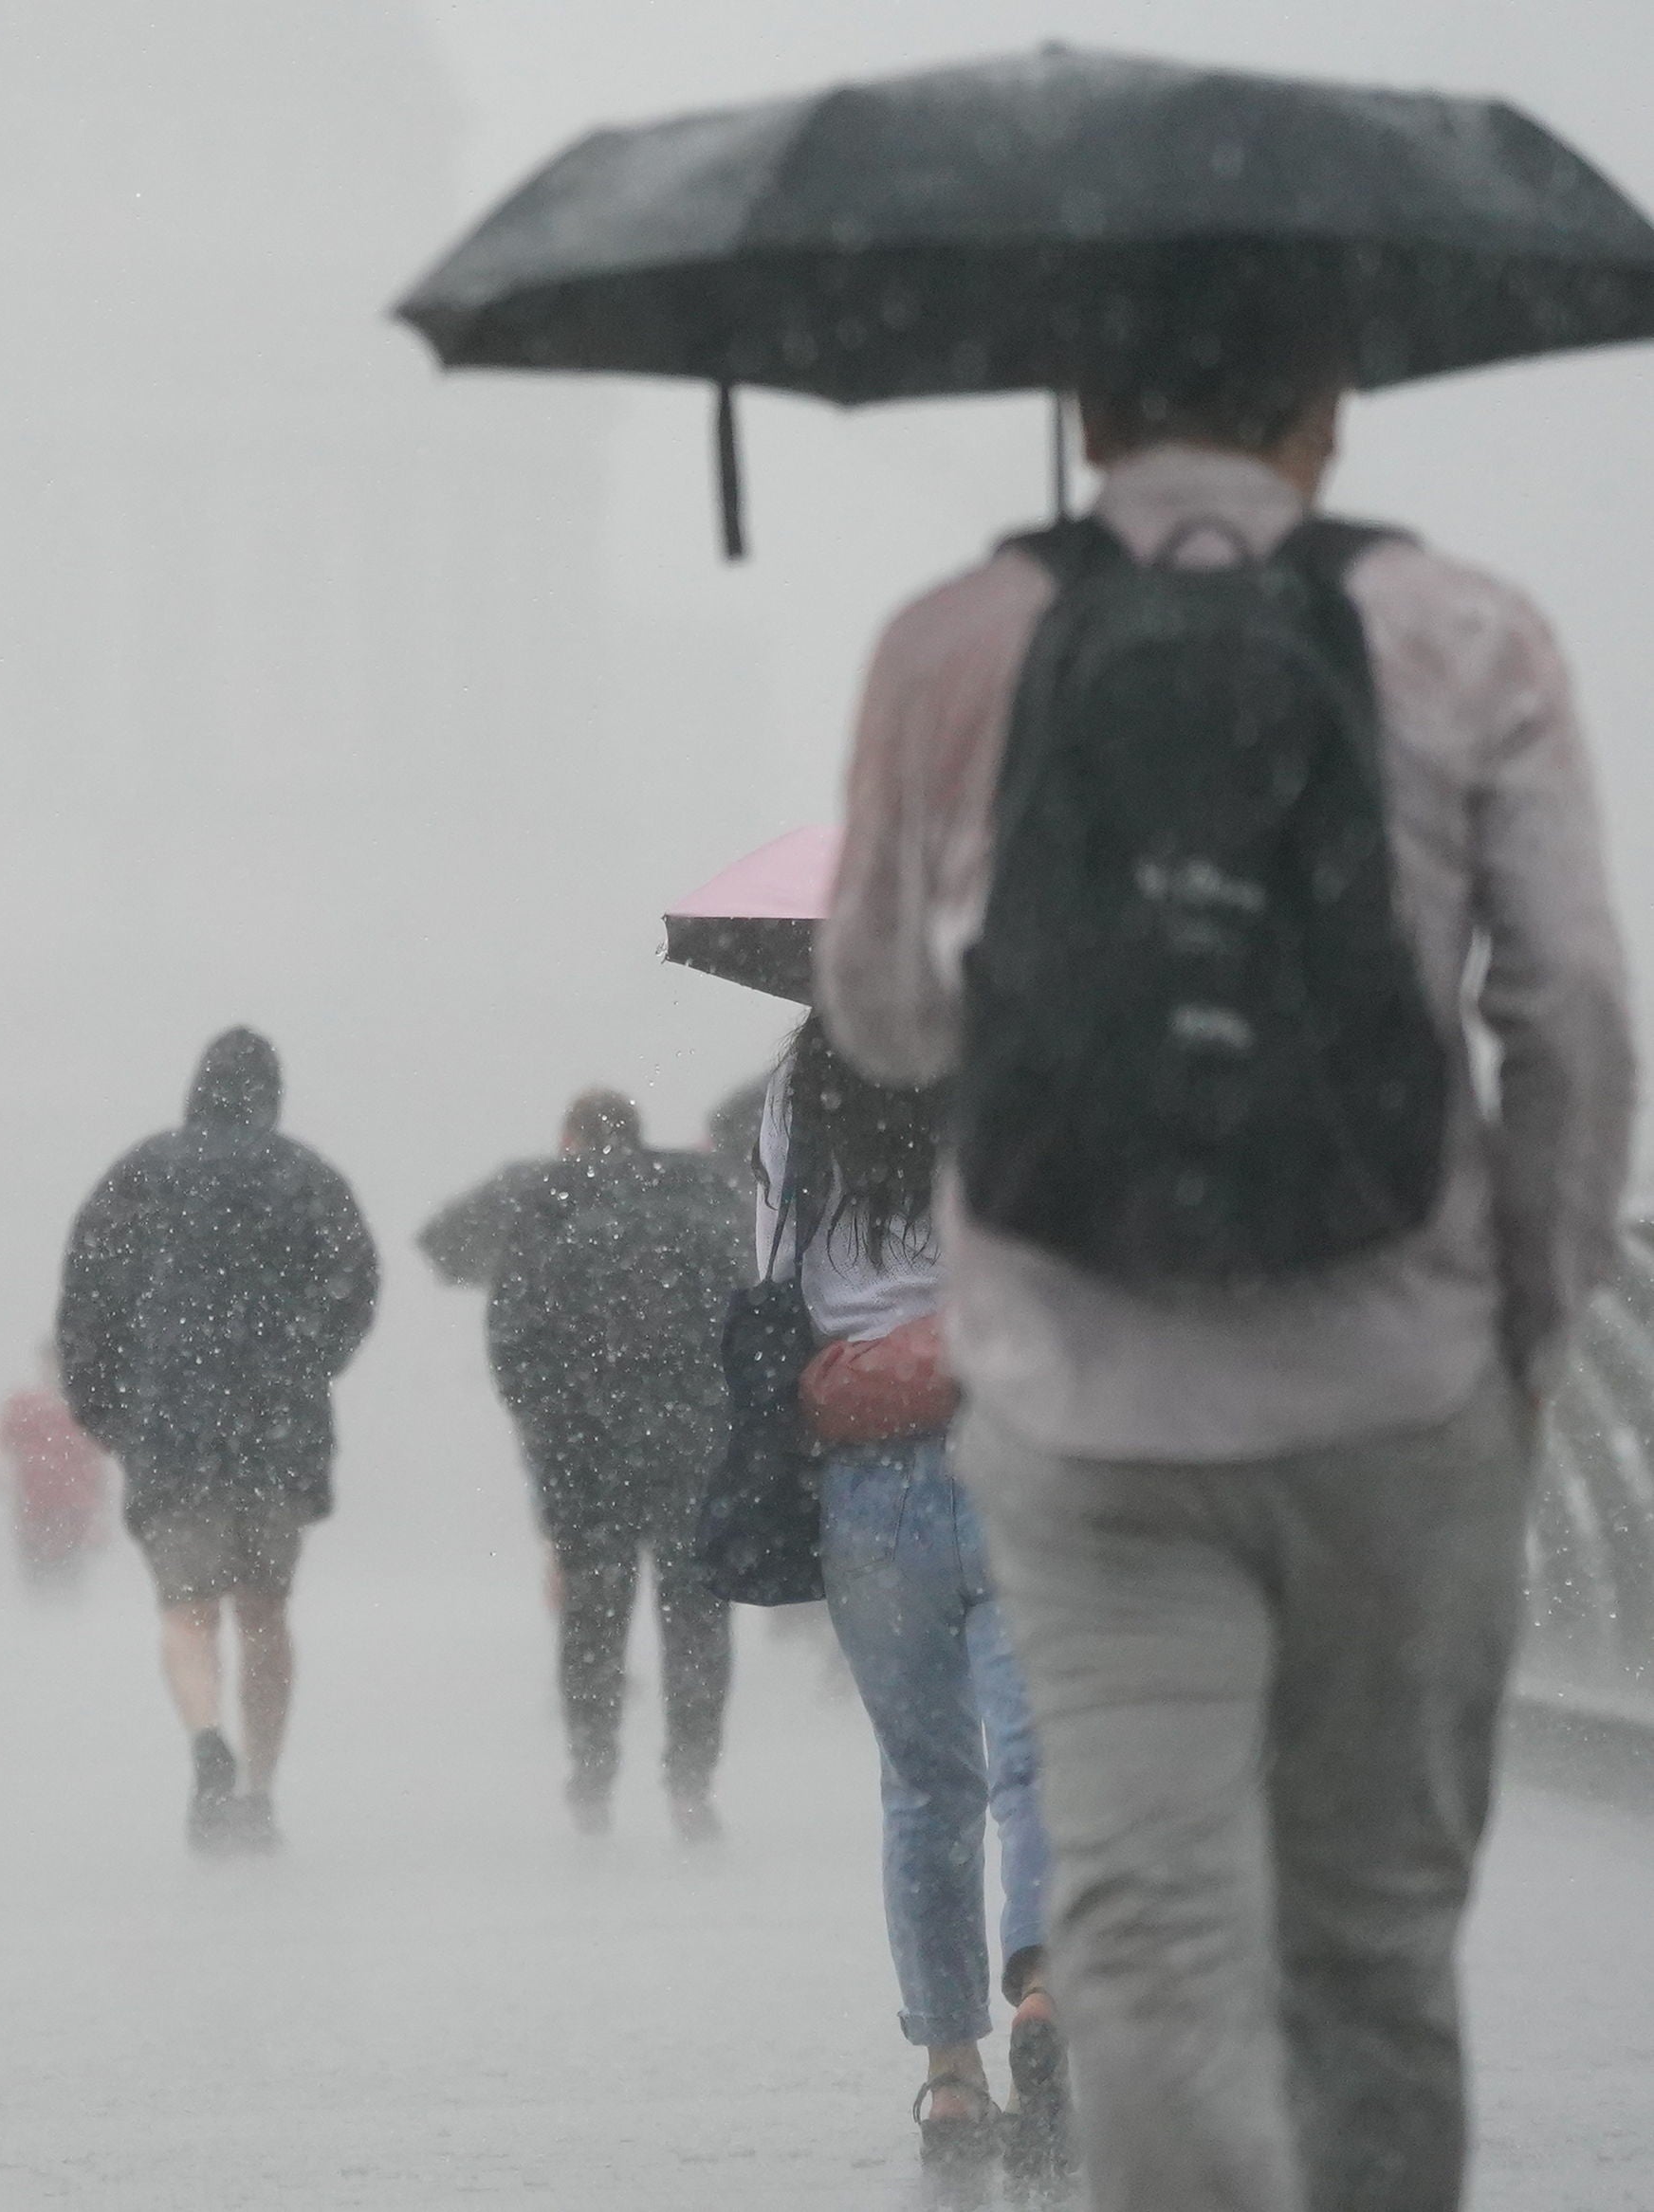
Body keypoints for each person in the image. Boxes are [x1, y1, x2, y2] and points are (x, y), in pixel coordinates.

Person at [821, 310, 1632, 2212]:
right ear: (1328, 412)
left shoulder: (951, 644)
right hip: (1395, 1386)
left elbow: (874, 1009)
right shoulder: (1468, 633)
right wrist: (1517, 1317)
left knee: (1150, 1930)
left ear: (1085, 407)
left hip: (1089, 1402)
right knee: (1369, 1940)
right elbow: (1574, 1011)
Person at [755, 1015, 1060, 2181]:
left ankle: (947, 2071)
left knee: (925, 1784)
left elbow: (767, 1264)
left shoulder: (802, 1076)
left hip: (865, 1463)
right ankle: (1041, 1981)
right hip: (1014, 1443)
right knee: (1039, 1752)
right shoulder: (1009, 1051)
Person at [57, 1028, 377, 1853]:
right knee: (266, 1613)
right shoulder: (307, 1177)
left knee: (187, 1611)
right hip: (277, 1425)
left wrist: (107, 1407)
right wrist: (309, 1362)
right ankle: (261, 1794)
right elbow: (356, 1285)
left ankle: (206, 1740)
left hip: (169, 1423)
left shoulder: (142, 1173)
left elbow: (88, 1300)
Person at [422, 1088, 745, 1837]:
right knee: (696, 1614)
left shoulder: (544, 1204)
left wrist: (544, 1419)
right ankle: (691, 1780)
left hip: (585, 1451)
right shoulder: (700, 1198)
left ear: (571, 1136)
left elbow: (512, 1333)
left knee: (593, 1617)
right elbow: (744, 1315)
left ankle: (594, 1774)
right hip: (692, 1441)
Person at [0, 1348, 111, 1587]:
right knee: (38, 1576)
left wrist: (100, 1514)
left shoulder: (85, 1406)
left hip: (72, 1512)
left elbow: (97, 1463)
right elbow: (2, 1448)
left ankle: (67, 1619)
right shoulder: (24, 1406)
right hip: (35, 1509)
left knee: (69, 1577)